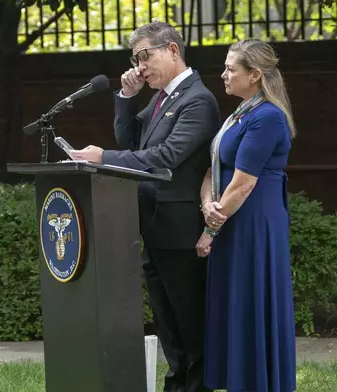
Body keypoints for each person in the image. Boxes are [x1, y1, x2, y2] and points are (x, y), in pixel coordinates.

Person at [69, 21, 220, 392]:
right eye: (135, 59)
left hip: (180, 225)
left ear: (172, 50)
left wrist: (103, 156)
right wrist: (125, 95)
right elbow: (133, 142)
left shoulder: (197, 99)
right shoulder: (161, 97)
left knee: (188, 319)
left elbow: (166, 157)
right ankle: (176, 383)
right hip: (152, 223)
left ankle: (196, 385)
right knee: (167, 320)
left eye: (145, 56)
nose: (140, 67)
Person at [195, 39, 297, 392]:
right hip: (232, 217)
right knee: (236, 300)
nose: (223, 74)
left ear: (254, 75)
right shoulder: (240, 113)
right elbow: (214, 166)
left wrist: (210, 229)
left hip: (255, 222)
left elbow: (242, 185)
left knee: (253, 295)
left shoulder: (267, 116)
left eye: (230, 69)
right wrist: (207, 201)